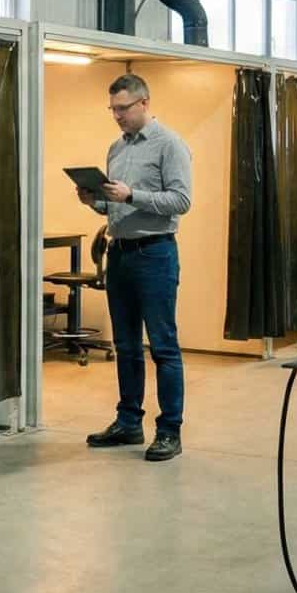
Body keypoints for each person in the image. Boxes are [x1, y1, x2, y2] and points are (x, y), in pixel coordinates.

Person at [76, 73, 191, 461]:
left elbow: (181, 200)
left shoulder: (169, 144)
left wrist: (132, 194)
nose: (117, 116)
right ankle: (128, 423)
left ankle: (170, 430)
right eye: (112, 110)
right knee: (125, 345)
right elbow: (116, 205)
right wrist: (95, 201)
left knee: (163, 346)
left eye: (123, 108)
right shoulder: (116, 148)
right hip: (120, 253)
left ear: (144, 103)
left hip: (155, 254)